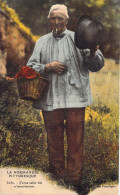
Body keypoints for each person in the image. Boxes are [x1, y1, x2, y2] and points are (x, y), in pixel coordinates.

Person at [27, 4, 104, 189]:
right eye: (53, 18)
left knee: (75, 141)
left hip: (75, 98)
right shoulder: (42, 41)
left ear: (67, 21)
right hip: (50, 98)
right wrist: (47, 67)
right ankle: (57, 180)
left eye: (60, 18)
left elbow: (96, 65)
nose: (56, 22)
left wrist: (93, 52)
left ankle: (73, 182)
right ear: (49, 20)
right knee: (53, 140)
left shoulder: (79, 38)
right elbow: (29, 67)